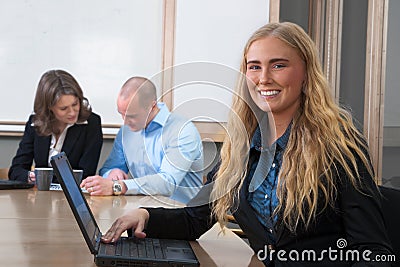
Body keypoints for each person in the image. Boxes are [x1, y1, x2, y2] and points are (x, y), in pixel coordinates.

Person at [100, 22, 394, 266]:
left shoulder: (339, 144)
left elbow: (372, 250)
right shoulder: (242, 145)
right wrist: (144, 216)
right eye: (254, 67)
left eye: (278, 65)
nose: (264, 78)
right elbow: (195, 218)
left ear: (305, 73)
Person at [80, 76, 203, 204]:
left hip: (181, 215)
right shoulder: (126, 131)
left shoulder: (182, 131)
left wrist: (116, 186)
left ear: (152, 106)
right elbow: (107, 170)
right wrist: (112, 173)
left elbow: (166, 183)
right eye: (121, 114)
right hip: (143, 211)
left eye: (131, 116)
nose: (125, 122)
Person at [9, 69, 103, 183]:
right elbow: (16, 170)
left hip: (70, 198)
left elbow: (85, 174)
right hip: (40, 196)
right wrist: (30, 176)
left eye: (75, 104)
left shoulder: (91, 123)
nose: (72, 112)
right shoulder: (36, 122)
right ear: (49, 107)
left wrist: (44, 178)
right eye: (63, 108)